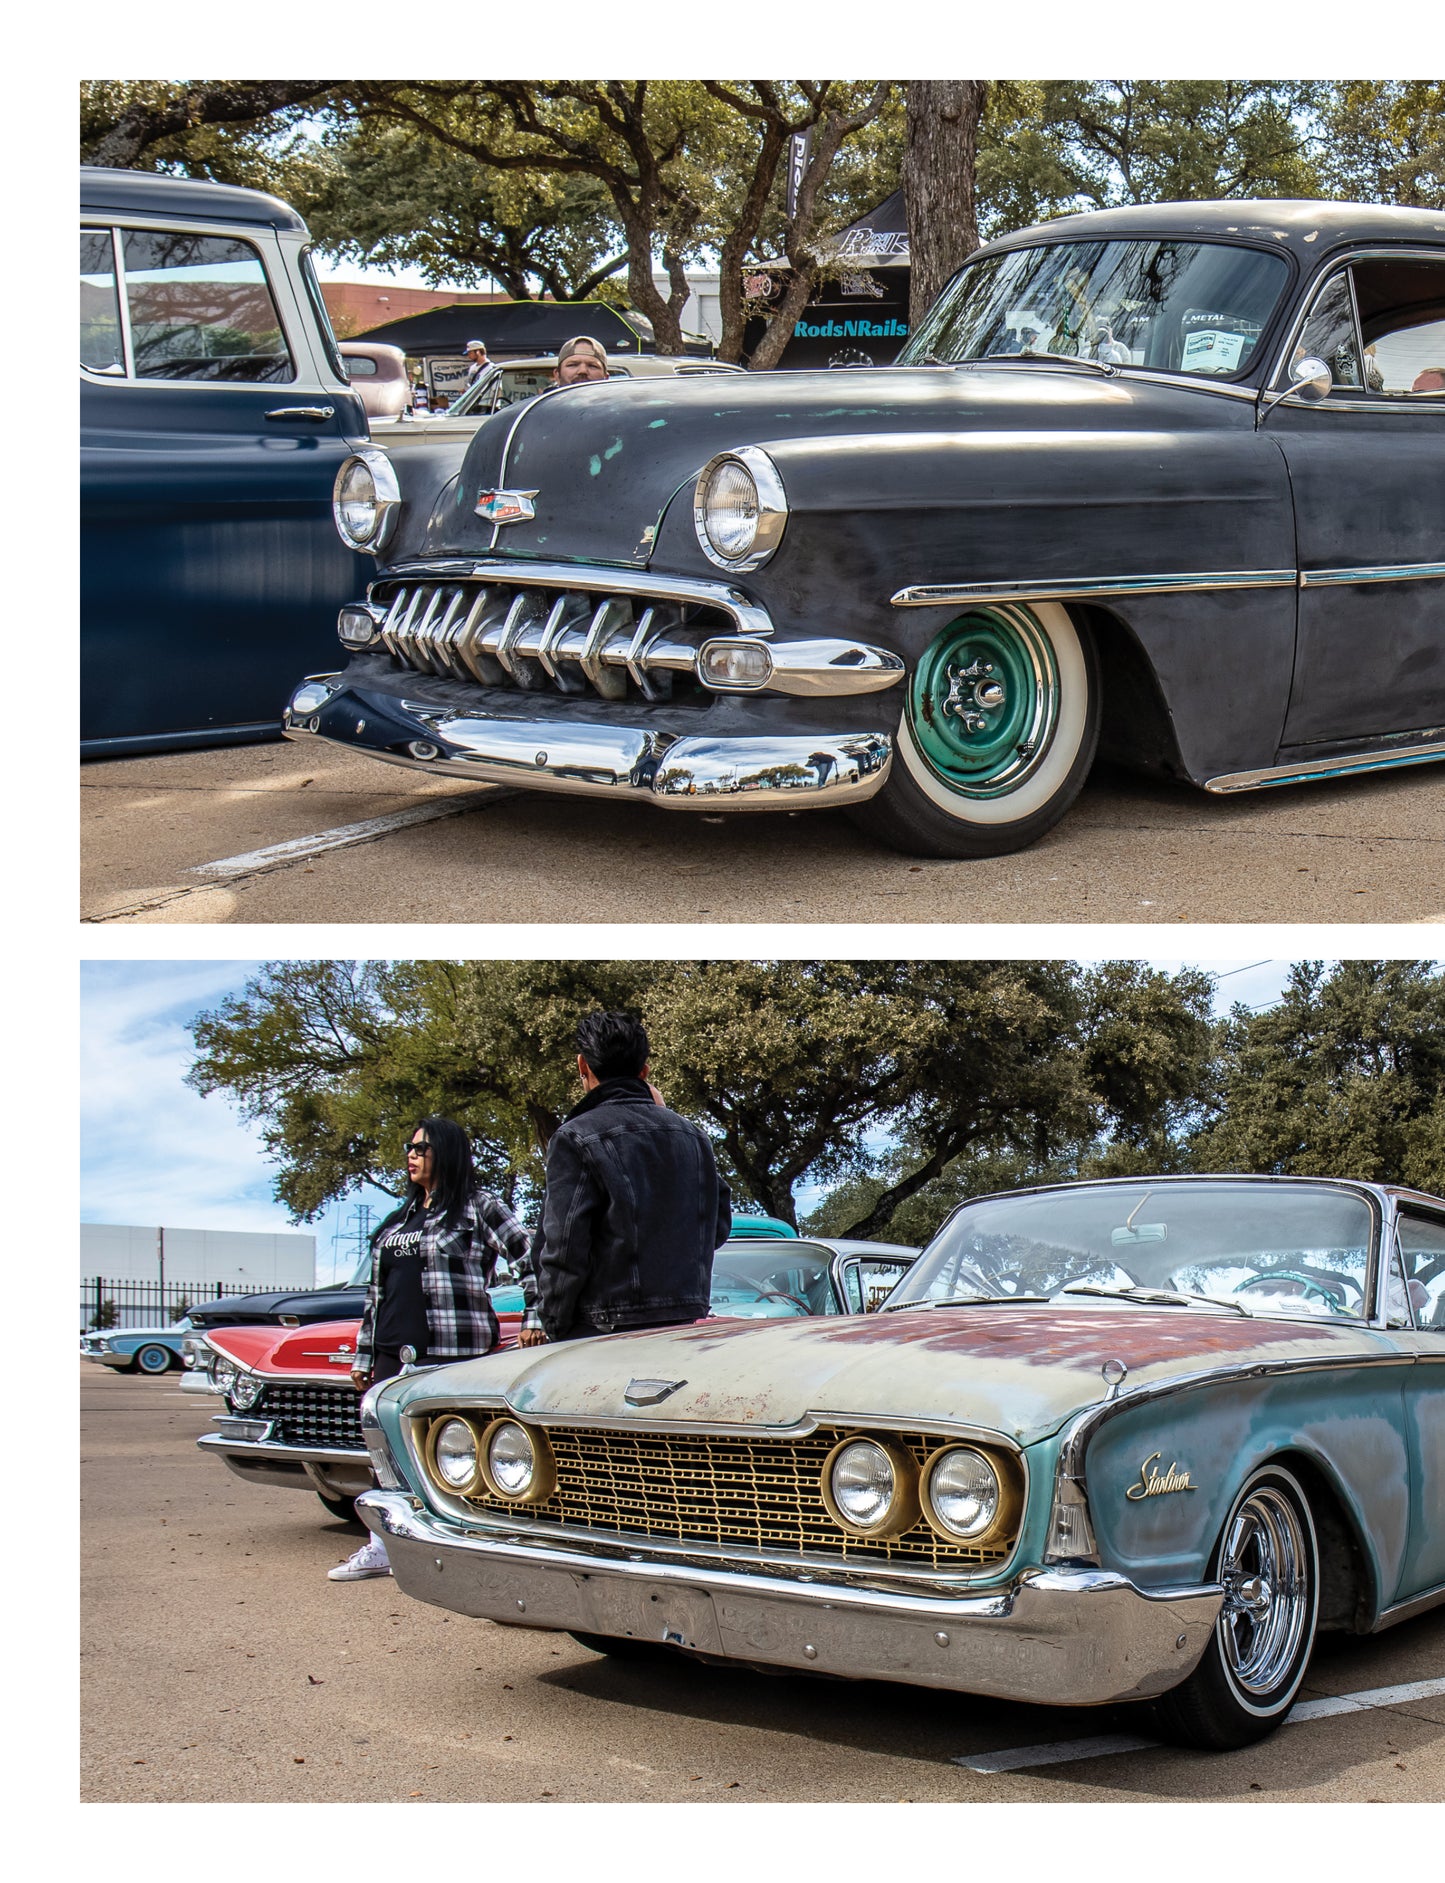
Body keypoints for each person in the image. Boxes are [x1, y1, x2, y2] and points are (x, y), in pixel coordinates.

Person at [329, 1115, 532, 1580]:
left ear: (448, 1153)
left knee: (458, 1453)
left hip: (451, 1351)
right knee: (386, 1456)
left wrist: (533, 1320)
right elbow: (375, 1296)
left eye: (423, 1148)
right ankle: (383, 1546)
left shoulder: (479, 1208)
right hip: (391, 1353)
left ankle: (479, 1552)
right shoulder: (397, 1220)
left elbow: (531, 1258)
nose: (412, 1155)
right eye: (409, 1147)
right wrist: (364, 1354)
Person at [520, 1012, 731, 1346]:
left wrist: (554, 1324)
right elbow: (717, 1230)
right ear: (644, 1072)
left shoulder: (574, 1137)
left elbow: (564, 1247)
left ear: (582, 1066)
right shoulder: (694, 1136)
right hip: (683, 1325)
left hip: (599, 1331)